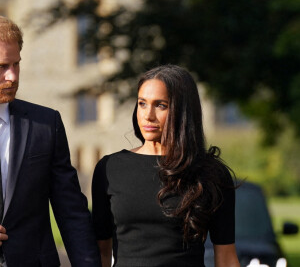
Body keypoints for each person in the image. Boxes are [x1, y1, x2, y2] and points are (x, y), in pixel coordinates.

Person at [92, 65, 240, 267]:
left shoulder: (210, 173)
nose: (148, 115)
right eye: (142, 103)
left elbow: (226, 257)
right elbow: (100, 253)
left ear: (183, 111)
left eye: (160, 105)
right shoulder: (109, 169)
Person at [0, 16, 101, 266]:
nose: (12, 76)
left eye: (16, 64)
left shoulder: (46, 123)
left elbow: (71, 210)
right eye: (2, 66)